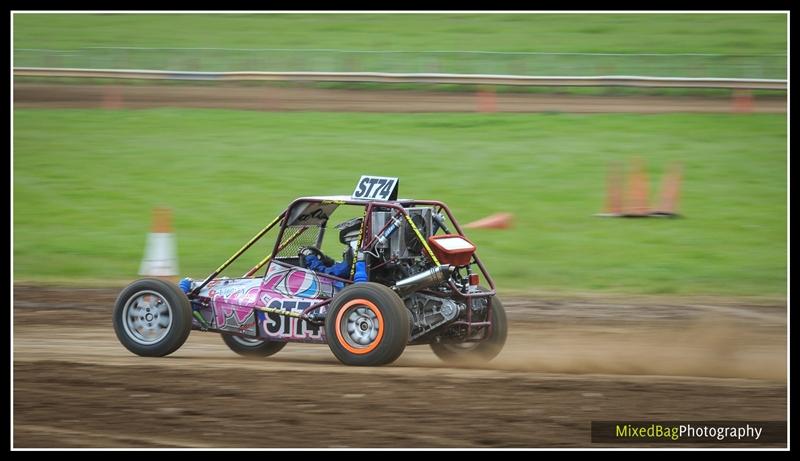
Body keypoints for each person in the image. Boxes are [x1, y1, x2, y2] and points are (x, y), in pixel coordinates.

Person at [298, 217, 362, 278]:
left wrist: (310, 257)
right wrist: (328, 261)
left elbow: (326, 273)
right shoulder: (360, 254)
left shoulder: (354, 257)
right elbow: (339, 268)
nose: (346, 249)